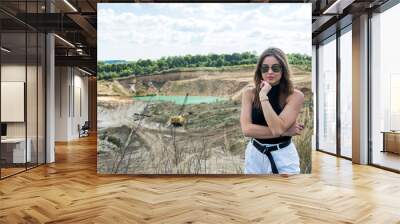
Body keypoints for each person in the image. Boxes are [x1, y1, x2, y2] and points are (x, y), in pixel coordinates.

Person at [240, 47, 305, 174]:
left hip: (284, 156)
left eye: (275, 68)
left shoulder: (295, 96)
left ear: (283, 70)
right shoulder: (249, 93)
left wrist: (263, 97)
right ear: (260, 71)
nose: (270, 72)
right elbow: (247, 130)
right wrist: (285, 132)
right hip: (255, 154)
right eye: (265, 68)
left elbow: (277, 129)